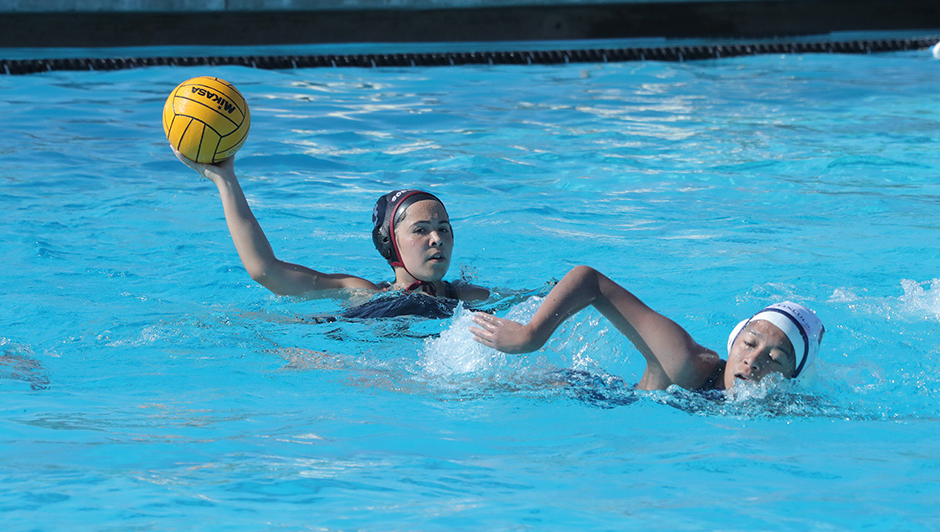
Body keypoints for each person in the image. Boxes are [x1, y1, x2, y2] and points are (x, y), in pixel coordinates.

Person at [172, 150, 489, 308]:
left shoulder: (468, 297)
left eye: (444, 229)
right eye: (421, 230)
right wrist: (225, 180)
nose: (437, 239)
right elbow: (265, 270)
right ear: (389, 242)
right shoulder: (364, 295)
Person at [470, 265, 824, 392]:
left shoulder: (785, 410)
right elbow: (589, 280)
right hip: (588, 395)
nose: (754, 361)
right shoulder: (687, 363)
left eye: (775, 358)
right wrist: (530, 335)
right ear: (733, 342)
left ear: (790, 377)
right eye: (749, 343)